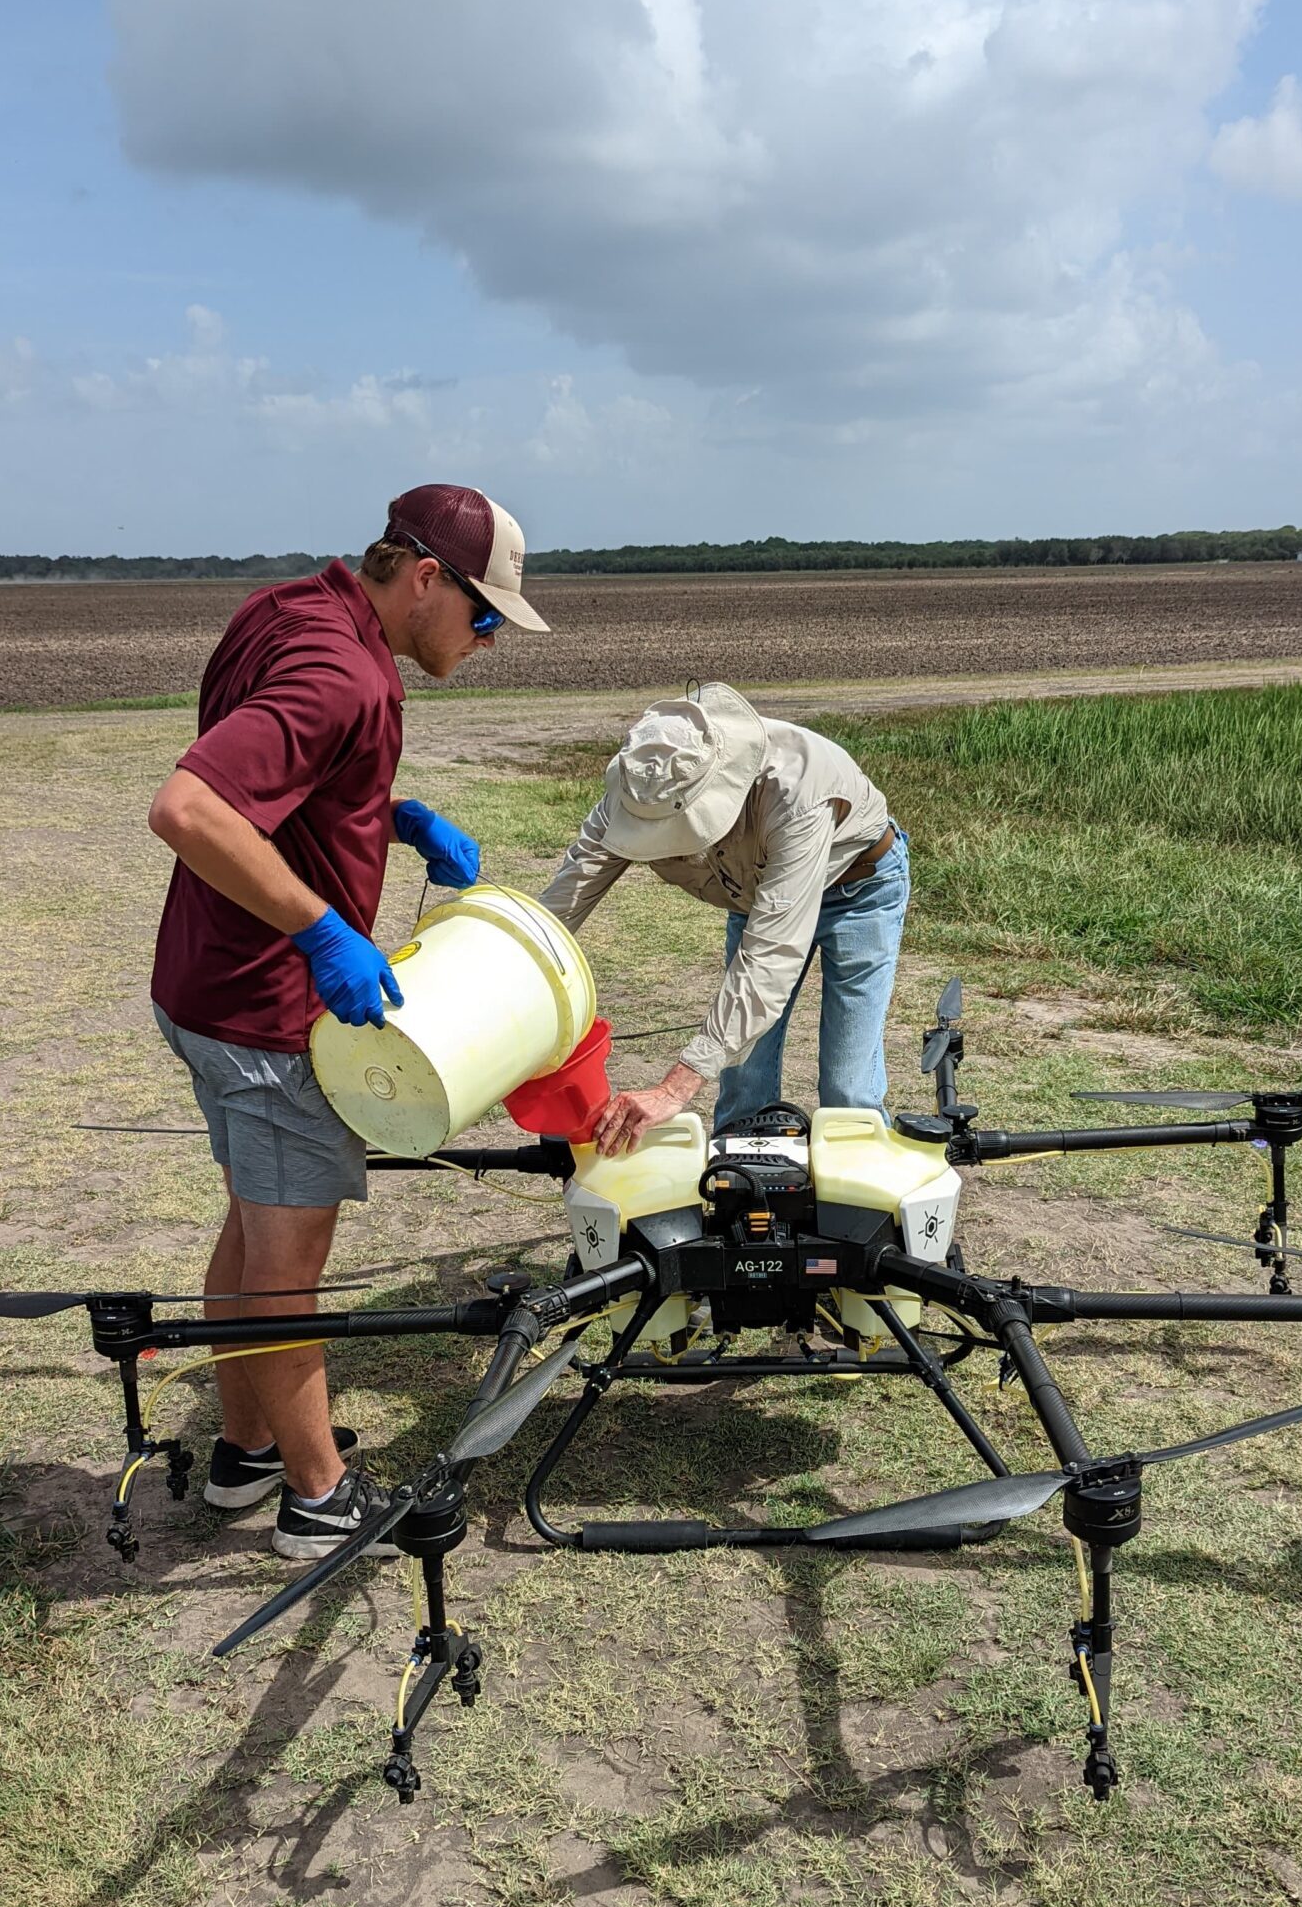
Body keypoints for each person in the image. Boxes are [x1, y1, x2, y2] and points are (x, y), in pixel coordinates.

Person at [147, 485, 548, 1561]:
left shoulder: (293, 609)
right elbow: (188, 809)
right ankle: (319, 1501)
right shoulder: (339, 671)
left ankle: (245, 1455)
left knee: (248, 1238)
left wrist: (385, 812)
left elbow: (277, 770)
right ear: (426, 579)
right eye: (486, 615)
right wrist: (325, 926)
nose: (492, 637)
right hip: (269, 1013)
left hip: (201, 988)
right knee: (287, 1268)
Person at [540, 683, 908, 1157]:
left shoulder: (798, 790)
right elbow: (563, 901)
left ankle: (860, 1204)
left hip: (860, 889)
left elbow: (769, 960)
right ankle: (740, 1198)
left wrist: (676, 1087)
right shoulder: (642, 784)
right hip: (756, 902)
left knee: (847, 1087)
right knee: (743, 1087)